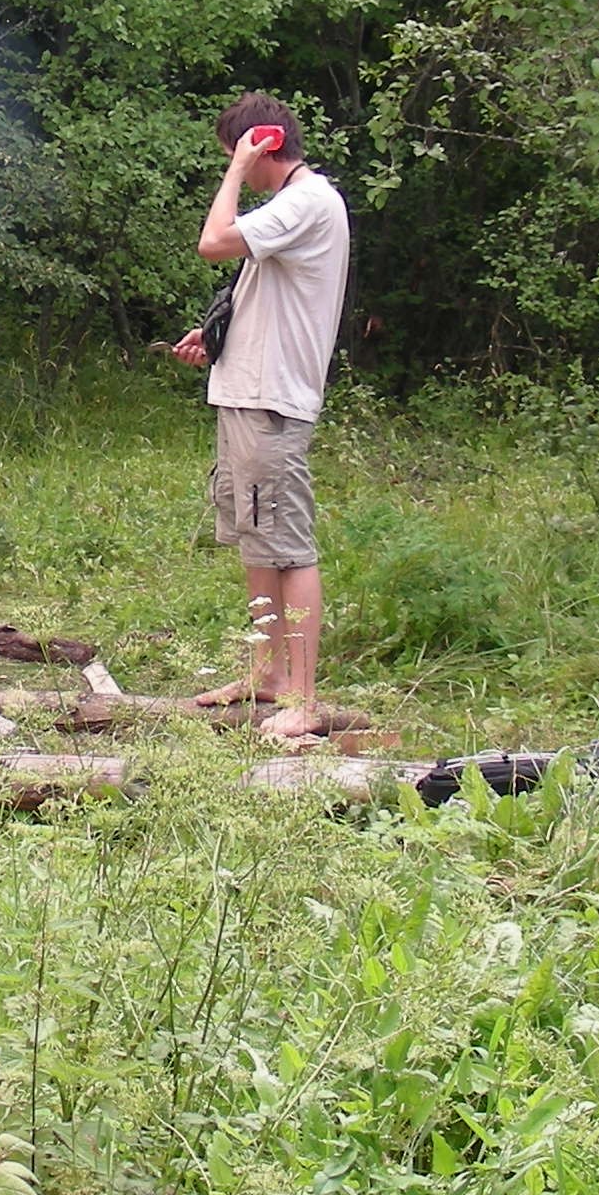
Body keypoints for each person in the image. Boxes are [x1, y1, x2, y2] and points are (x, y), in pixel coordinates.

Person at [169, 93, 351, 741]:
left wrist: (235, 170)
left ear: (262, 145)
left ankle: (302, 698)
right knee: (257, 541)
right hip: (247, 395)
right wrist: (218, 335)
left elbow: (213, 242)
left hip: (273, 402)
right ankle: (268, 674)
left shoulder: (307, 201)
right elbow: (269, 293)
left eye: (236, 152)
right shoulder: (290, 207)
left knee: (289, 548)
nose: (235, 165)